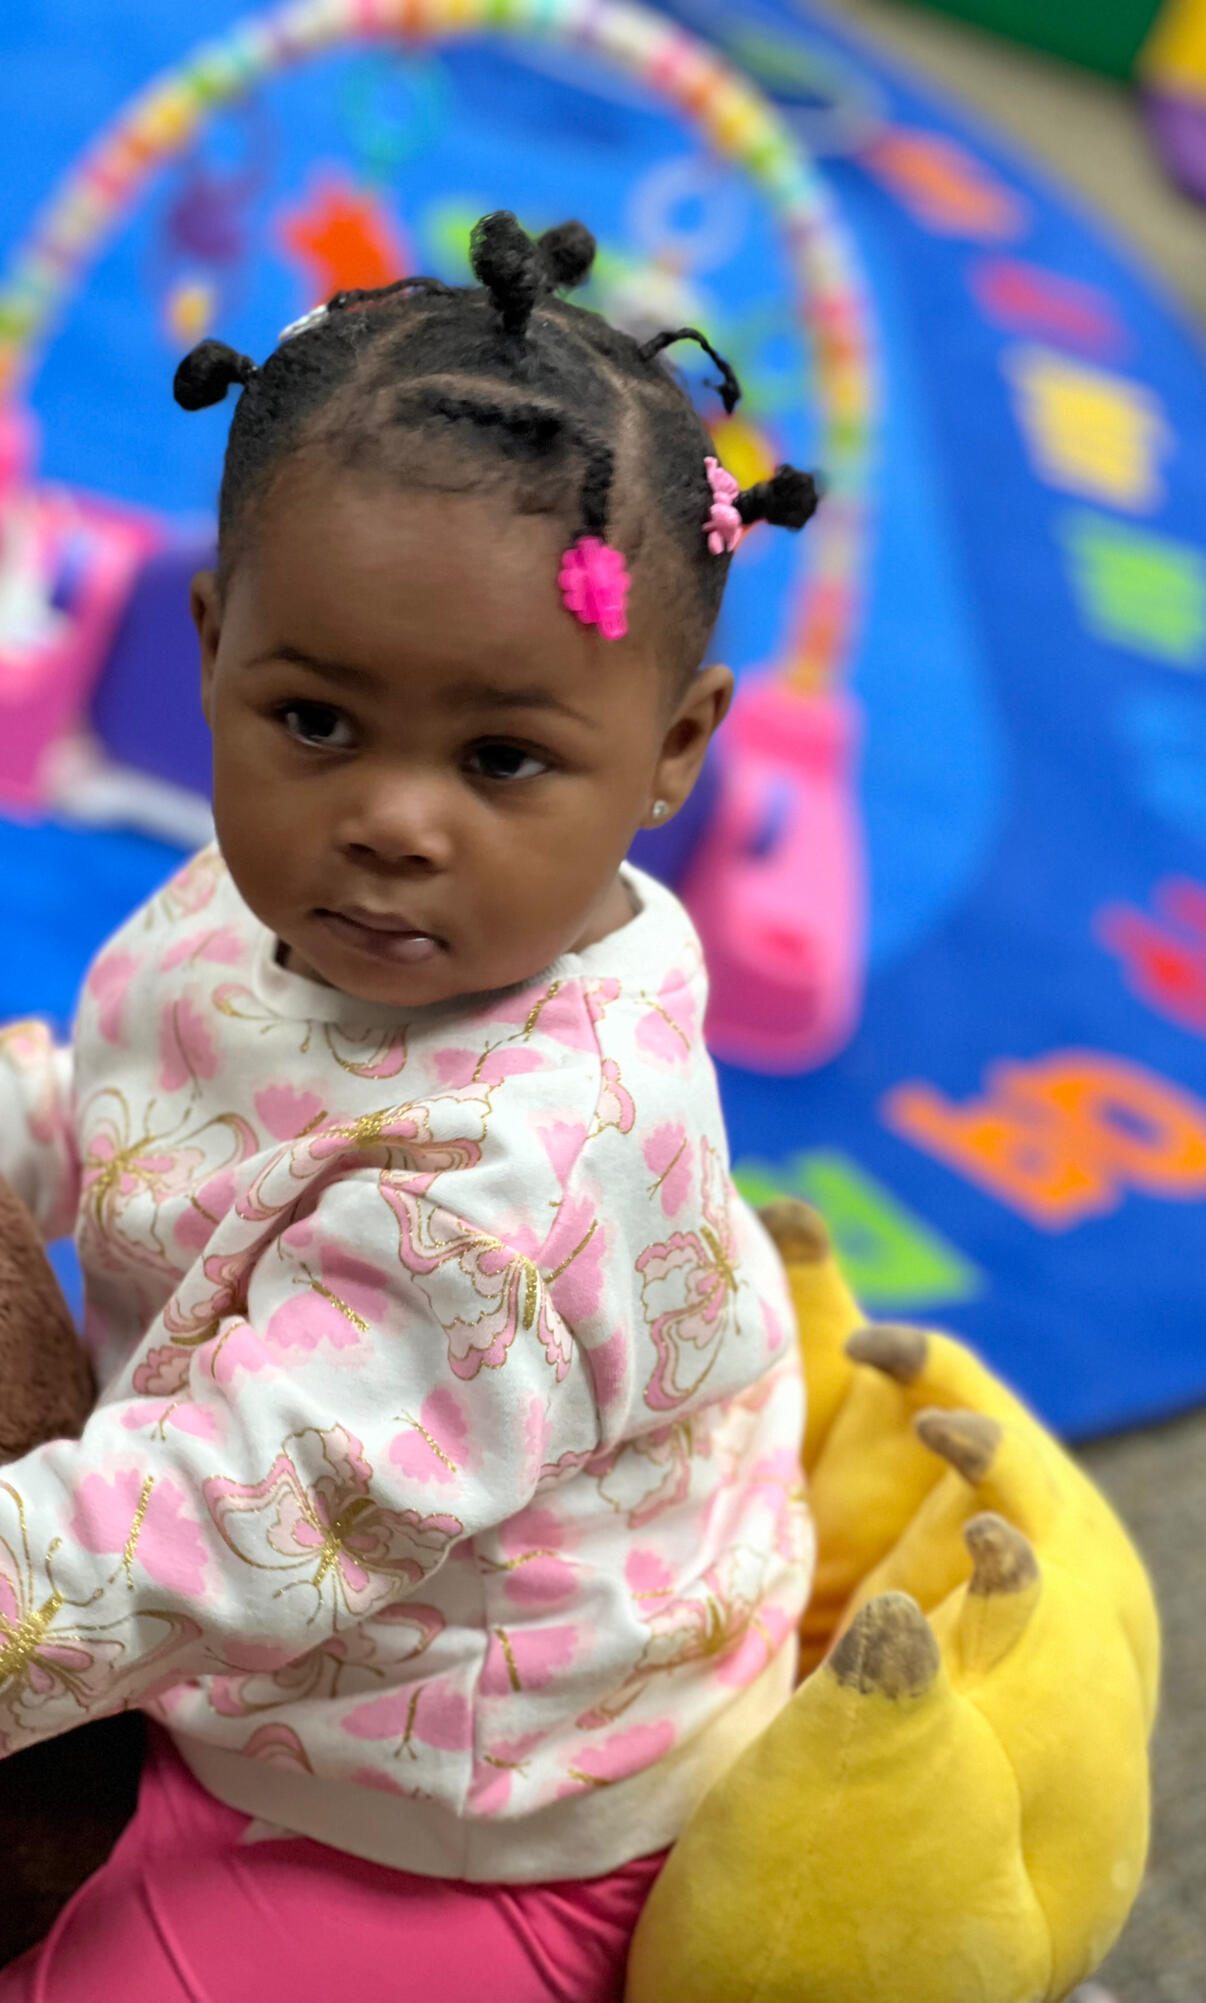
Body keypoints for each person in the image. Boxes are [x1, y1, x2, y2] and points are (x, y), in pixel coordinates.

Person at [0, 209, 820, 2003]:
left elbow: (229, 1521)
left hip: (474, 1795)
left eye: (502, 758)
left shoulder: (515, 1178)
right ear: (212, 645)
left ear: (676, 748)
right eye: (313, 720)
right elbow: (140, 1103)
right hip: (264, 1633)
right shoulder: (274, 905)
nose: (389, 819)